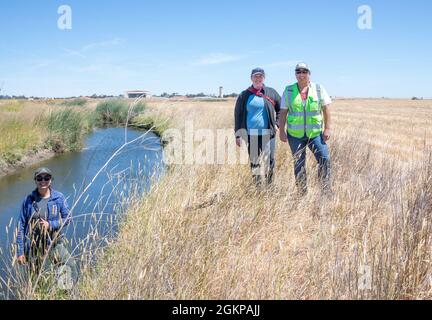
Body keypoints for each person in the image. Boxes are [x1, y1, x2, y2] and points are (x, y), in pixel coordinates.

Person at [16, 167, 77, 289]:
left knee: (70, 266)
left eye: (46, 178)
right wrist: (20, 252)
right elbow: (21, 227)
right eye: (39, 178)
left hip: (54, 242)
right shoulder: (28, 201)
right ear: (35, 180)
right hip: (35, 246)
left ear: (51, 180)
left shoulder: (58, 197)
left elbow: (68, 218)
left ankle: (64, 292)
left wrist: (51, 224)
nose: (43, 181)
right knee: (36, 277)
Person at [279, 63, 332, 196]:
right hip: (295, 135)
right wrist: (281, 131)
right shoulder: (289, 90)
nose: (301, 74)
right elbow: (283, 112)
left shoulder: (319, 89)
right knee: (299, 164)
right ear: (295, 74)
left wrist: (327, 129)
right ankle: (302, 193)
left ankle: (325, 190)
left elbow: (326, 110)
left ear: (309, 73)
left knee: (324, 159)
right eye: (298, 72)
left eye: (304, 71)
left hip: (315, 135)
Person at [235, 68, 281, 186]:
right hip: (252, 134)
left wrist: (277, 123)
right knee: (255, 161)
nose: (258, 78)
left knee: (269, 161)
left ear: (264, 78)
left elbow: (281, 110)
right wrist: (238, 134)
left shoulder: (271, 92)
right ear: (251, 78)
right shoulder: (244, 95)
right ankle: (258, 186)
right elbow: (238, 115)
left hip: (268, 133)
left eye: (260, 76)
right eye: (255, 76)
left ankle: (270, 185)